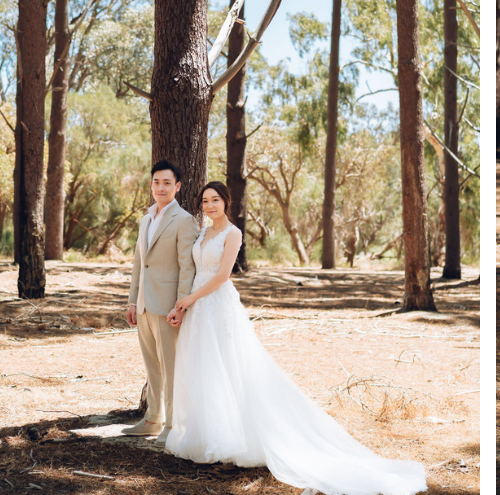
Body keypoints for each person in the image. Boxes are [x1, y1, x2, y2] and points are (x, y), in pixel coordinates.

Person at [163, 181, 427, 495]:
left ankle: (231, 443)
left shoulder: (232, 234)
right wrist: (185, 302)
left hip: (216, 305)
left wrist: (190, 299)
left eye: (215, 200)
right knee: (205, 371)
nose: (209, 206)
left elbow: (222, 276)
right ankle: (207, 436)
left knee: (230, 368)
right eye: (205, 201)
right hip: (197, 308)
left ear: (226, 202)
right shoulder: (202, 233)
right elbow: (190, 269)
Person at [123, 159, 200, 445]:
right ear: (151, 185)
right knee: (152, 367)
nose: (161, 187)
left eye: (167, 183)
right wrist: (132, 302)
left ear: (177, 187)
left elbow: (186, 268)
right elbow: (138, 265)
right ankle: (153, 419)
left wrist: (179, 307)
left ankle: (173, 426)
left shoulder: (184, 220)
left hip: (168, 308)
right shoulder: (146, 219)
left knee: (172, 369)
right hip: (143, 306)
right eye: (157, 182)